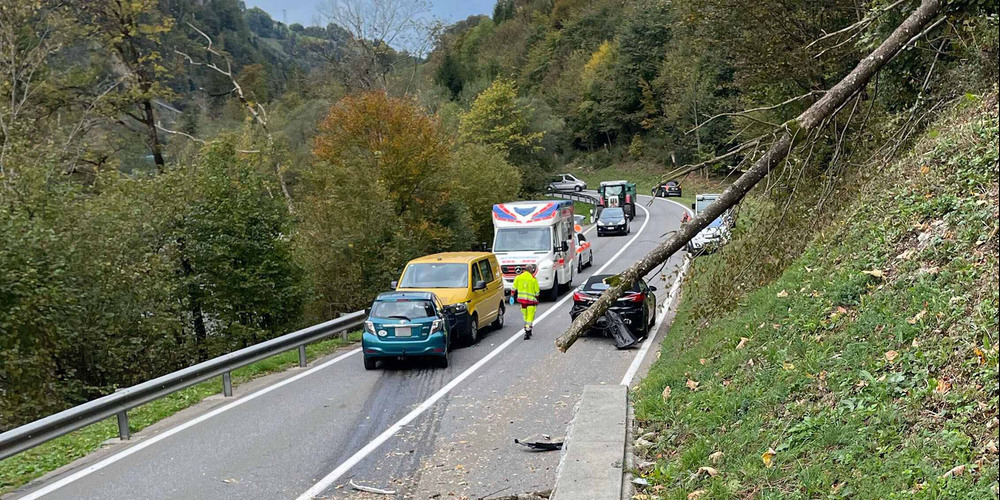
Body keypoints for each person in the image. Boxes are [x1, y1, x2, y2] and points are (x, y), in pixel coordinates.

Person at [511, 263, 540, 340]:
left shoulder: (518, 277)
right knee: (530, 318)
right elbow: (537, 292)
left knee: (525, 316)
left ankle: (527, 329)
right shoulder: (533, 279)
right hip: (531, 302)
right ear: (531, 270)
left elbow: (513, 288)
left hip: (522, 302)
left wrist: (512, 296)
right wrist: (537, 298)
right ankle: (527, 331)